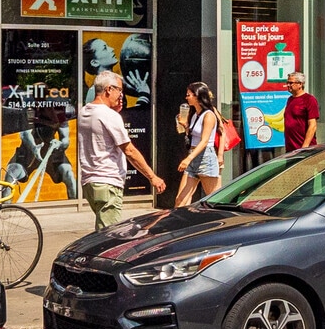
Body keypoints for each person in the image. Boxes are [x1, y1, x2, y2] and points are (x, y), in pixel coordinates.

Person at [79, 70, 165, 229]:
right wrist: (152, 177)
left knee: (103, 230)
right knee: (109, 237)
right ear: (108, 90)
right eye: (119, 89)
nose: (121, 94)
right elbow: (129, 151)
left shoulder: (84, 111)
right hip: (108, 182)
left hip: (90, 183)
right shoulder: (109, 116)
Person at [175, 82, 222, 207]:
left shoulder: (209, 115)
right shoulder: (195, 114)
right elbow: (194, 135)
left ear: (197, 96)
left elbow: (205, 141)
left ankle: (225, 223)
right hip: (193, 155)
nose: (186, 97)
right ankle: (180, 225)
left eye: (189, 95)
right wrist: (185, 125)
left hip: (205, 156)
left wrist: (188, 158)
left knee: (215, 201)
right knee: (180, 200)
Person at [282, 71, 320, 151]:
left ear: (300, 84)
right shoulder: (290, 100)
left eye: (291, 83)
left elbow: (312, 125)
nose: (288, 85)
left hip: (304, 149)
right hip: (290, 149)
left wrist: (305, 147)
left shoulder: (309, 100)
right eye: (287, 82)